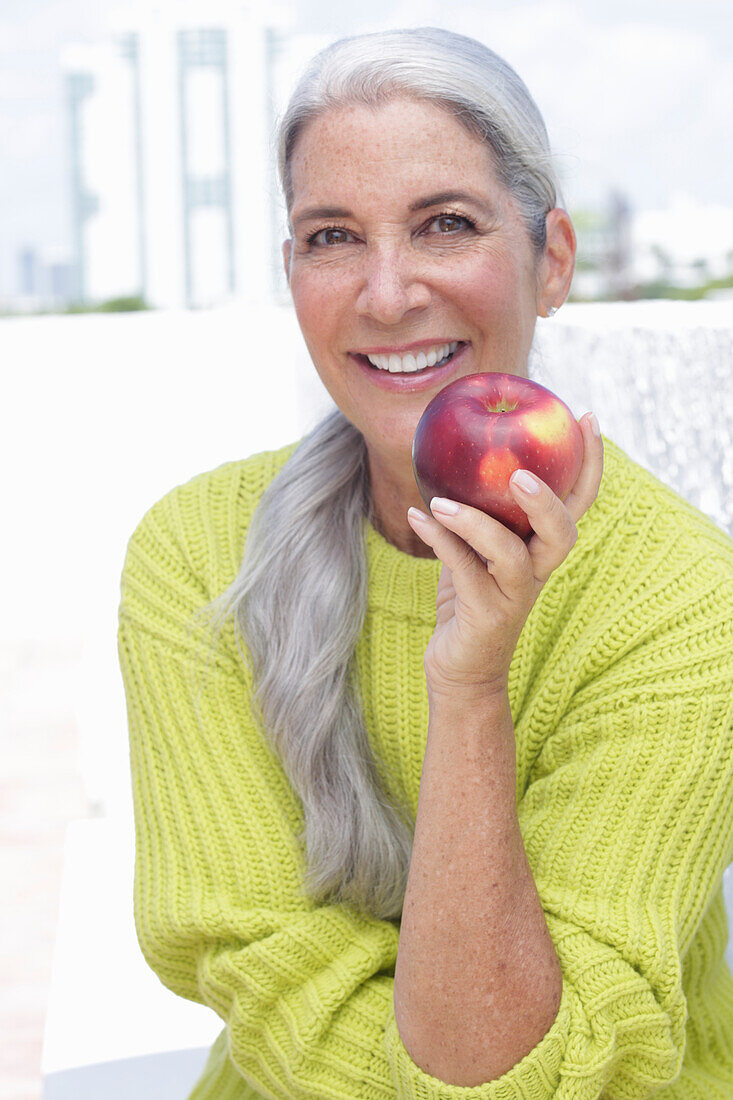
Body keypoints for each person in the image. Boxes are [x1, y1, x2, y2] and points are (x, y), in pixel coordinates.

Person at [117, 26, 733, 1099]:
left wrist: (468, 682)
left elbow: (520, 1076)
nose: (388, 292)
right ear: (293, 273)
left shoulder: (679, 597)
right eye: (333, 236)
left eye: (444, 224)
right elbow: (263, 978)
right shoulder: (198, 556)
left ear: (551, 261)